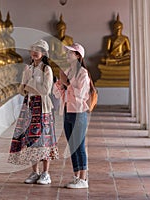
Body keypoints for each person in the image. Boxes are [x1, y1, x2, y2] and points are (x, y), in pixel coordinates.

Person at [8, 39, 59, 185]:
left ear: (43, 53)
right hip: (30, 107)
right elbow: (21, 90)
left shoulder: (46, 69)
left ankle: (45, 173)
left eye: (39, 50)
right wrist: (26, 84)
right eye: (33, 49)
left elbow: (44, 90)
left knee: (44, 139)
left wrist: (28, 86)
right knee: (30, 140)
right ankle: (34, 172)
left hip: (42, 108)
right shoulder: (28, 68)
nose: (35, 52)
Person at [54, 43, 90, 189]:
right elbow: (57, 93)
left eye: (71, 52)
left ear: (78, 56)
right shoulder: (68, 71)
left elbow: (81, 94)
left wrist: (67, 84)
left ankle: (83, 178)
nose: (68, 55)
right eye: (68, 52)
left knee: (79, 145)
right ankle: (76, 177)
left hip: (78, 112)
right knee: (72, 145)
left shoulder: (83, 73)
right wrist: (60, 85)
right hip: (67, 111)